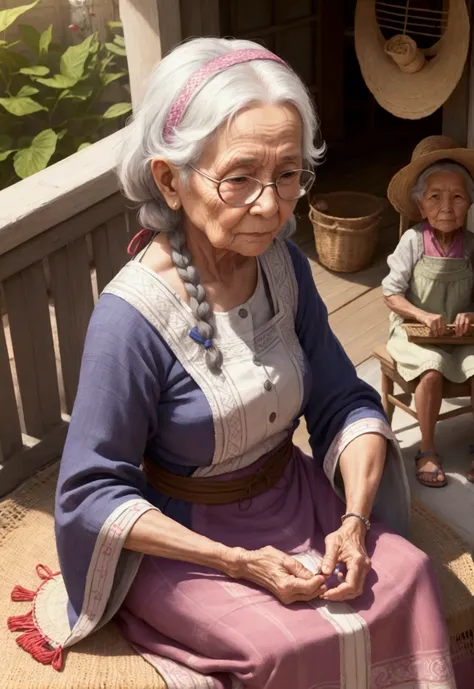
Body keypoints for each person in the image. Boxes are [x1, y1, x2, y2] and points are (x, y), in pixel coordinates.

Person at [9, 39, 456, 689]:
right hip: (190, 540)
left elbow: (342, 399)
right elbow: (93, 490)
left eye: (288, 174)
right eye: (240, 177)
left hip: (292, 494)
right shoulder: (130, 317)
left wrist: (355, 521)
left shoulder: (284, 267)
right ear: (171, 179)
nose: (272, 205)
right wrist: (240, 562)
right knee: (281, 646)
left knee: (408, 574)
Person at [383, 135, 474, 488]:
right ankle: (428, 448)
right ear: (421, 206)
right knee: (432, 371)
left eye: (457, 197)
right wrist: (421, 315)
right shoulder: (412, 242)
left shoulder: (471, 245)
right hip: (414, 332)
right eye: (435, 197)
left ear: (468, 204)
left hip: (460, 335)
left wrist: (470, 316)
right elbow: (390, 293)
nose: (446, 207)